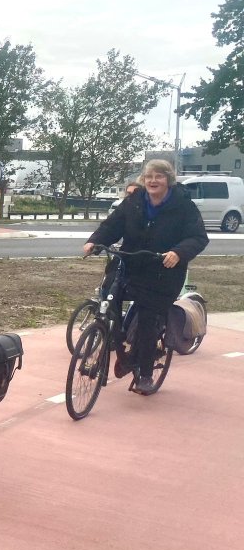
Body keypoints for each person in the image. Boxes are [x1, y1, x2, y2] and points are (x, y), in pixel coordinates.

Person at [83, 159, 208, 395]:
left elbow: (198, 237)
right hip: (129, 265)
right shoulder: (134, 201)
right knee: (108, 300)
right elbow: (112, 225)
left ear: (168, 180)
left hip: (163, 273)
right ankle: (117, 345)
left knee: (148, 321)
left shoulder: (183, 206)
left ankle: (146, 374)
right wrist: (95, 241)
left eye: (159, 176)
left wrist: (178, 252)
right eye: (149, 176)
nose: (153, 180)